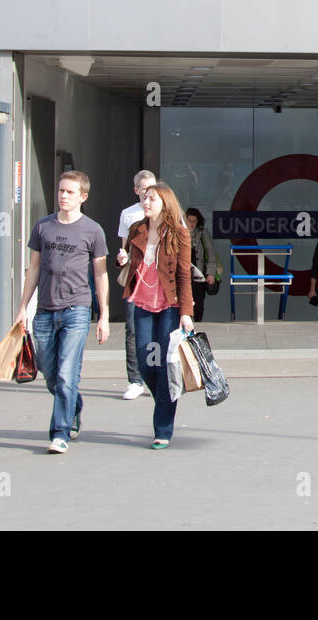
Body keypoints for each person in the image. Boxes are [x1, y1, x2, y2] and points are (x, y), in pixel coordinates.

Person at [14, 171, 110, 454]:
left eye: (69, 192)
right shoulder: (43, 227)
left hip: (76, 309)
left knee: (68, 374)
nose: (63, 196)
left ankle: (60, 433)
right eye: (60, 191)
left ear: (83, 197)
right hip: (45, 309)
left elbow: (101, 273)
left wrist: (103, 315)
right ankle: (74, 406)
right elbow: (33, 268)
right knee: (50, 374)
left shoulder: (93, 231)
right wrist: (23, 308)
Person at [123, 181, 193, 449]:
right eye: (145, 198)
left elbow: (184, 274)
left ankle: (162, 429)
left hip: (169, 307)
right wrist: (123, 259)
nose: (146, 202)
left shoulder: (179, 234)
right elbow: (131, 259)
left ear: (165, 202)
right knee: (145, 362)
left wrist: (186, 312)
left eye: (152, 198)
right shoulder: (137, 229)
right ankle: (165, 399)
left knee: (165, 365)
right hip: (142, 303)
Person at [115, 170, 155, 400]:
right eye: (143, 188)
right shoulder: (128, 215)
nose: (146, 193)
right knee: (132, 329)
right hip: (135, 279)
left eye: (151, 188)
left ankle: (155, 378)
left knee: (158, 331)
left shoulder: (166, 213)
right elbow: (125, 248)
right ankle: (135, 380)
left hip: (157, 281)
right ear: (136, 190)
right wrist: (123, 259)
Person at [185, 207, 221, 322]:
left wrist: (210, 273)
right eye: (188, 221)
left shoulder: (202, 233)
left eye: (193, 221)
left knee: (198, 304)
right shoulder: (179, 232)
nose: (191, 224)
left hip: (199, 274)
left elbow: (211, 254)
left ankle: (198, 324)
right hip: (183, 273)